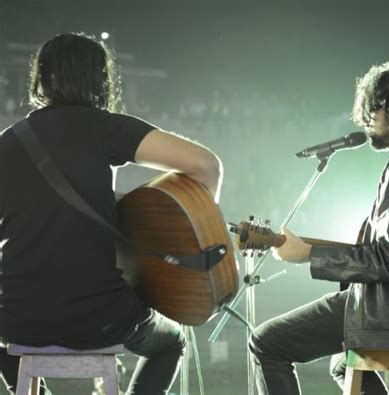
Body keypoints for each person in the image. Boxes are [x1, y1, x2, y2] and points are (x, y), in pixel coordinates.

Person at [0, 32, 223, 394]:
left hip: (18, 318)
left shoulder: (9, 141)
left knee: (6, 335)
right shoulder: (106, 128)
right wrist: (186, 231)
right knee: (171, 342)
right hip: (97, 317)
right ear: (100, 79)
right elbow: (206, 166)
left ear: (42, 78)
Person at [249, 56, 389, 394]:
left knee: (266, 342)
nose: (368, 119)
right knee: (342, 363)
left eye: (374, 110)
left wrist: (309, 254)